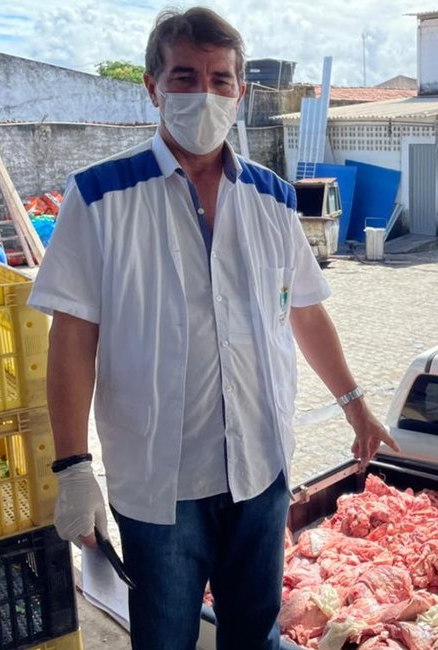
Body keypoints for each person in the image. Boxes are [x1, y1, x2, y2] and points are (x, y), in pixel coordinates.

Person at [27, 7, 399, 649]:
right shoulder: (99, 198)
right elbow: (72, 338)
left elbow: (305, 312)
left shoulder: (274, 200)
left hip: (261, 471)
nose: (204, 92)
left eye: (220, 79)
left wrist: (356, 408)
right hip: (160, 482)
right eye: (185, 76)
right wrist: (71, 466)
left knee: (252, 635)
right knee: (167, 637)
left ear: (241, 92)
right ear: (153, 86)